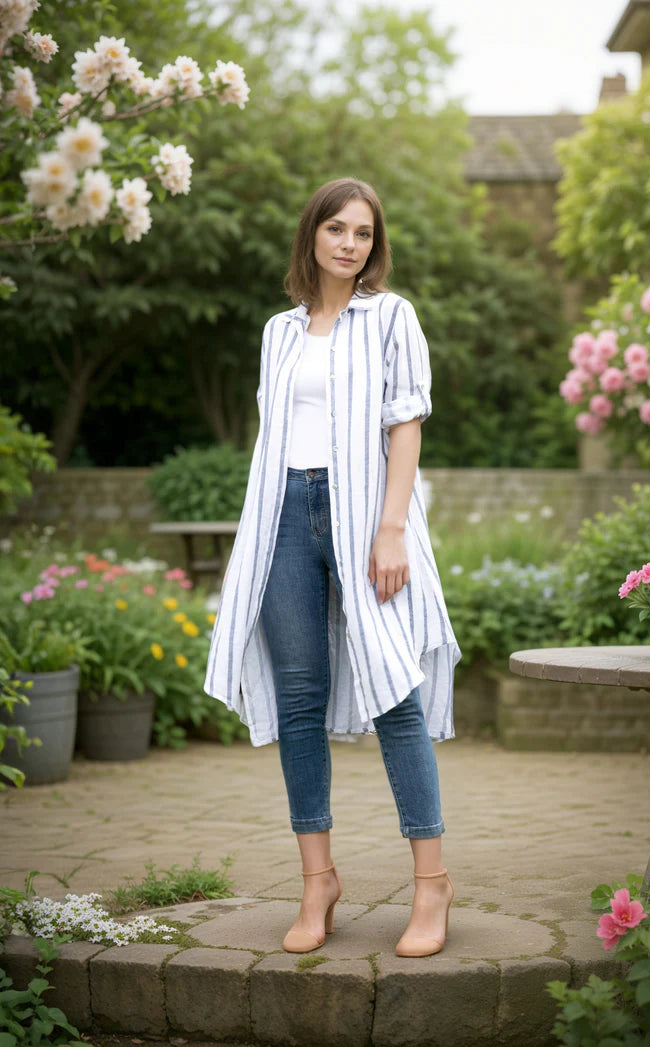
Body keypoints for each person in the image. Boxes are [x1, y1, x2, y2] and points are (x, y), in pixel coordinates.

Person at [204, 177, 461, 958]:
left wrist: (391, 528)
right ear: (311, 235)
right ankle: (318, 881)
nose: (350, 243)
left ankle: (431, 884)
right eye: (337, 229)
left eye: (363, 233)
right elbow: (270, 443)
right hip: (283, 515)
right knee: (299, 698)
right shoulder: (279, 332)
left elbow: (406, 427)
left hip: (363, 519)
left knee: (395, 694)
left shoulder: (391, 317)